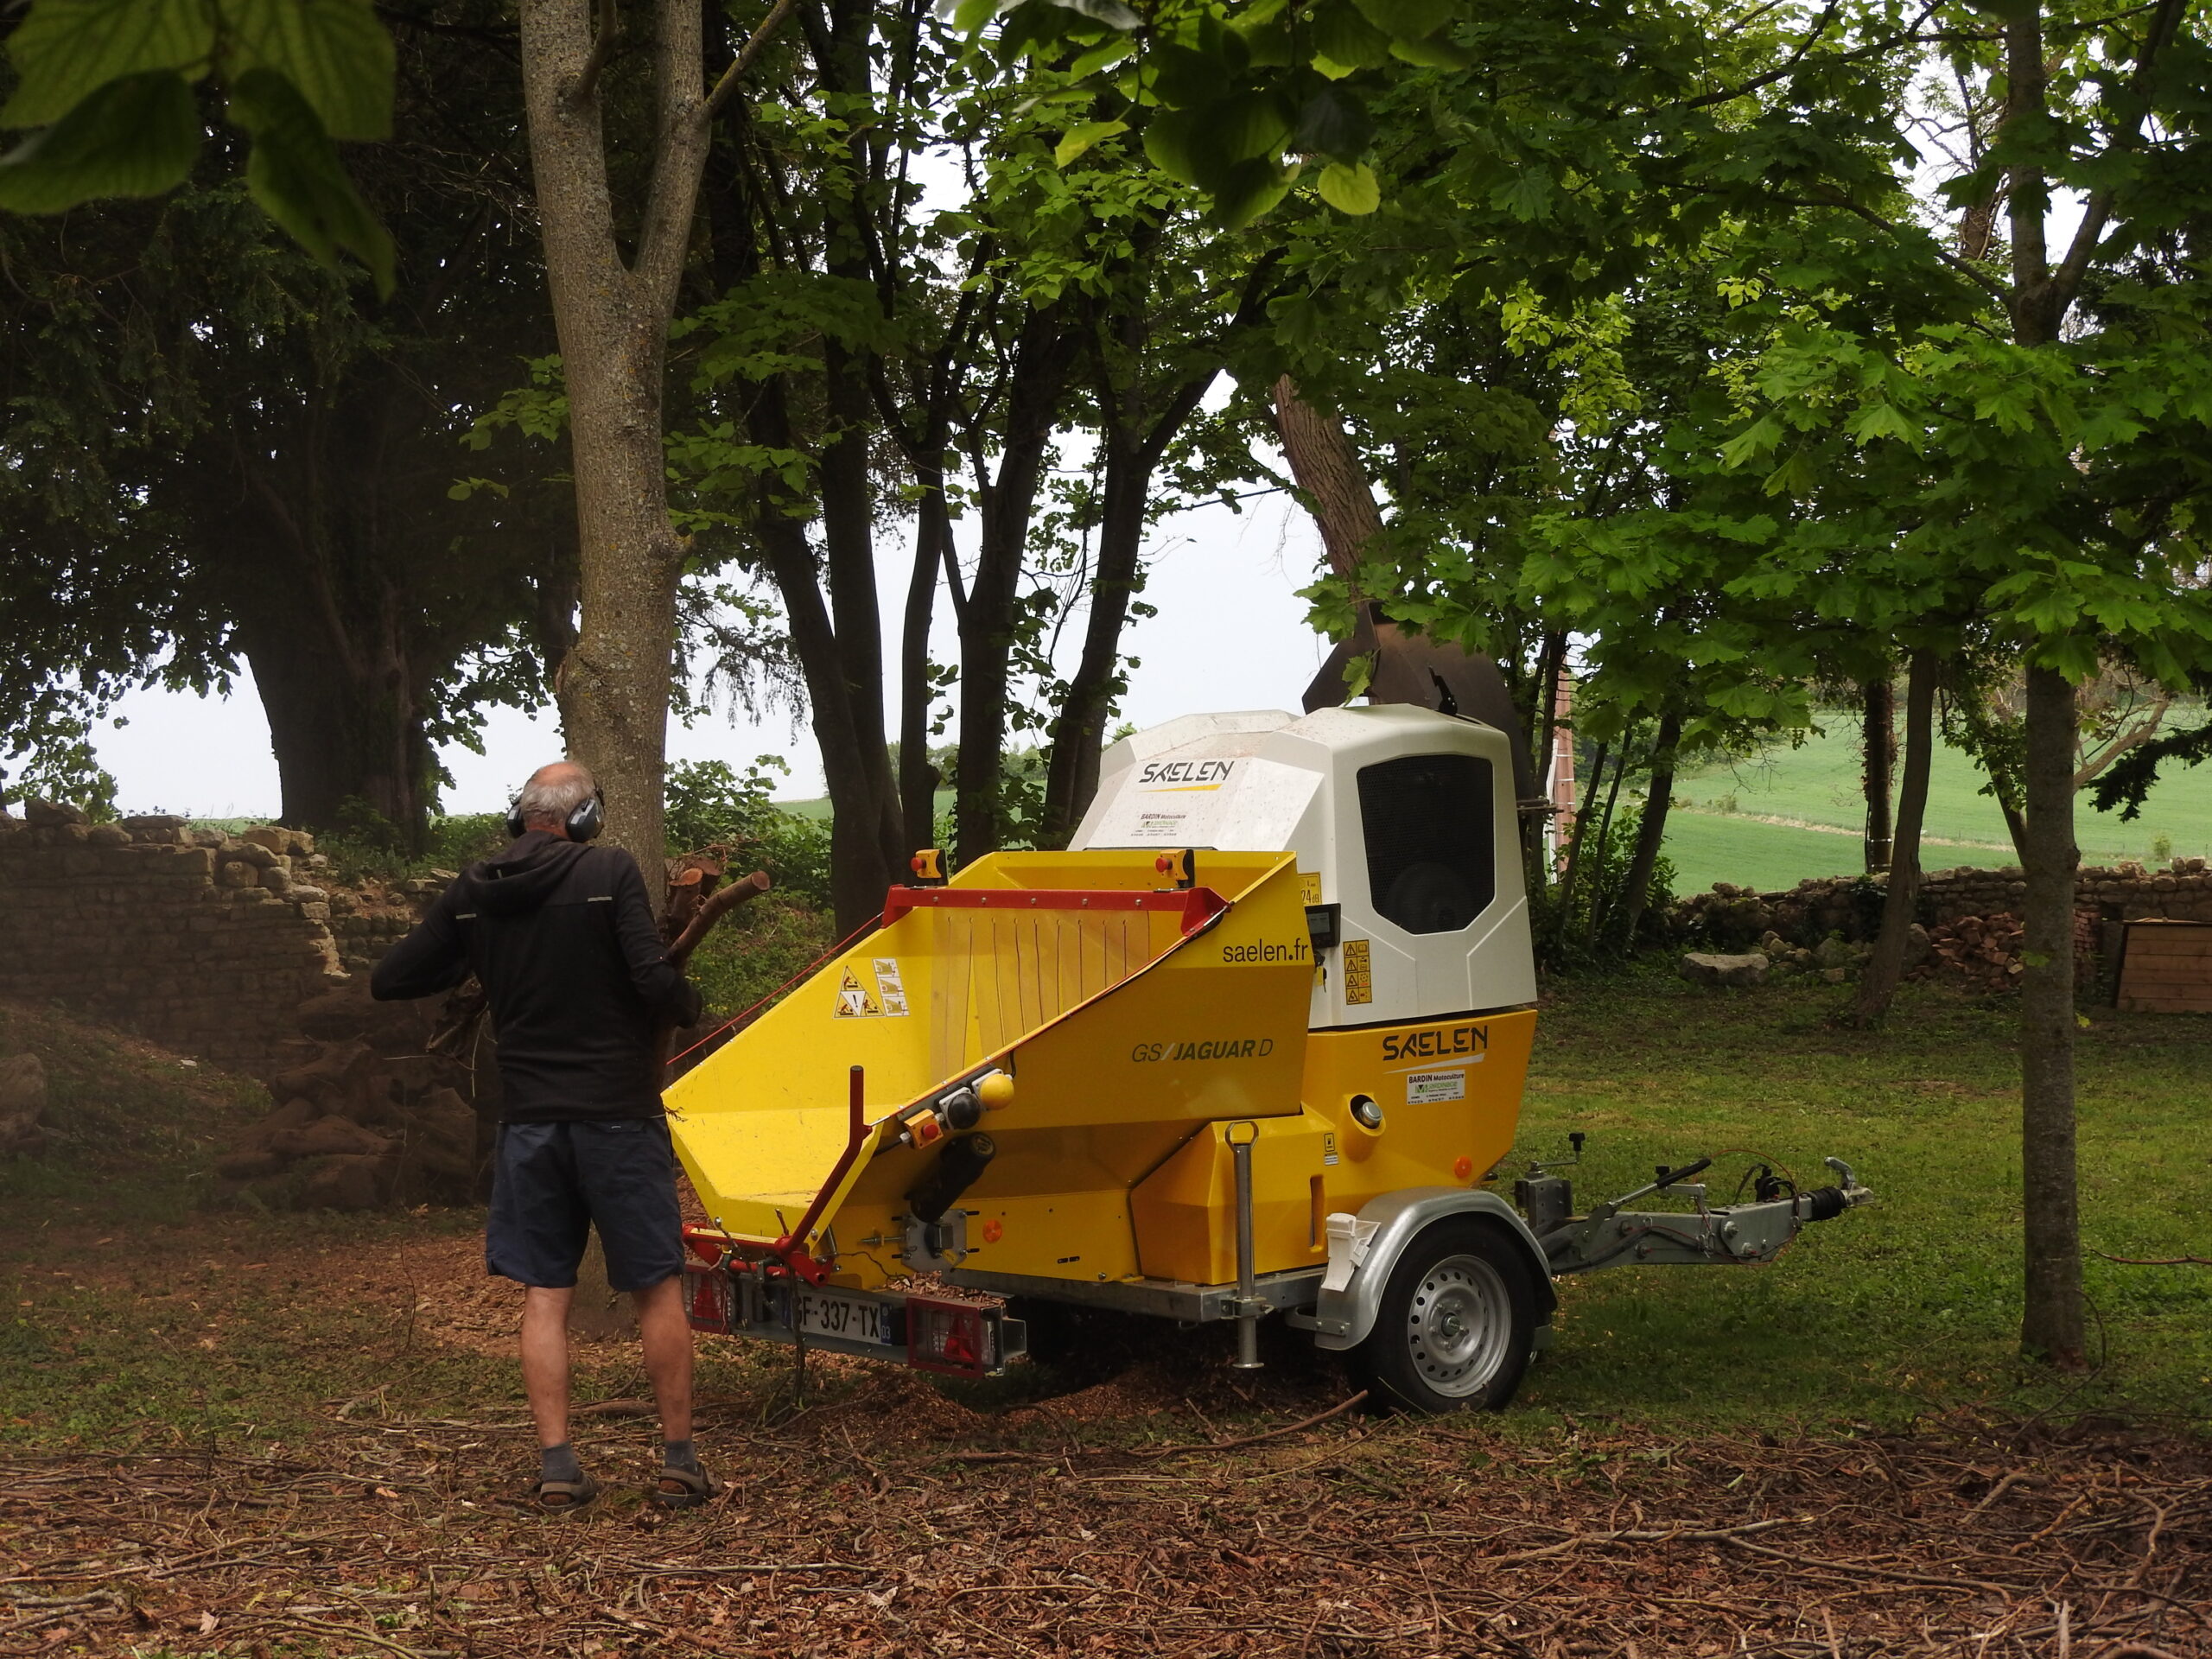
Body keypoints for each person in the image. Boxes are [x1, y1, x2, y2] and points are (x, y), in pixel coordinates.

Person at [372, 760, 713, 1514]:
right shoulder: (608, 871)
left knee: (546, 1295)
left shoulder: (474, 891)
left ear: (519, 816)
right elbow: (653, 980)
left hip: (529, 1123)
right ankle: (678, 1464)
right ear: (584, 817)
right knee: (656, 1288)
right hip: (619, 1117)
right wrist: (690, 1003)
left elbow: (391, 978)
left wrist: (479, 956)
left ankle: (559, 1466)